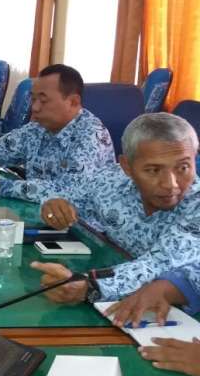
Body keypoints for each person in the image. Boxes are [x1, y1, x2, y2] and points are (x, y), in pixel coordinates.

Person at [31, 112, 200, 306]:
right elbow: (67, 200)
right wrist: (53, 207)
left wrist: (90, 287)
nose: (171, 184)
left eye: (183, 168)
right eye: (153, 170)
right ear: (126, 166)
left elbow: (158, 263)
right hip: (123, 294)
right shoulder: (110, 180)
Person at [0, 64, 115, 203]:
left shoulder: (91, 136)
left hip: (80, 227)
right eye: (33, 99)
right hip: (37, 210)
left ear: (73, 102)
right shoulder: (38, 127)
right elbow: (2, 148)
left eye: (43, 100)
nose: (35, 108)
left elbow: (68, 192)